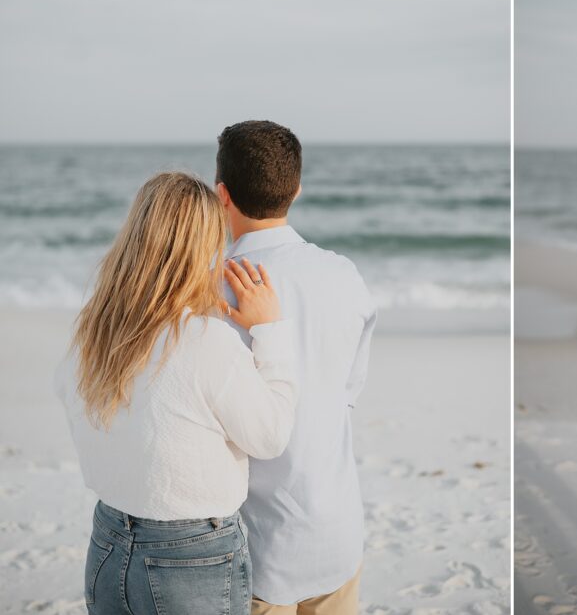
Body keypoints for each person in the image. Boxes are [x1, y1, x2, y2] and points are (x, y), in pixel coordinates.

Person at [54, 171, 297, 615]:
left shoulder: (94, 330)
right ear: (202, 248)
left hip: (108, 540)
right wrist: (271, 331)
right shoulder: (205, 341)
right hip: (191, 554)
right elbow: (271, 436)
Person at [215, 121, 376, 615]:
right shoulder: (344, 275)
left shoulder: (211, 290)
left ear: (222, 195)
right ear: (297, 188)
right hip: (338, 530)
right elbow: (348, 390)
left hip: (259, 547)